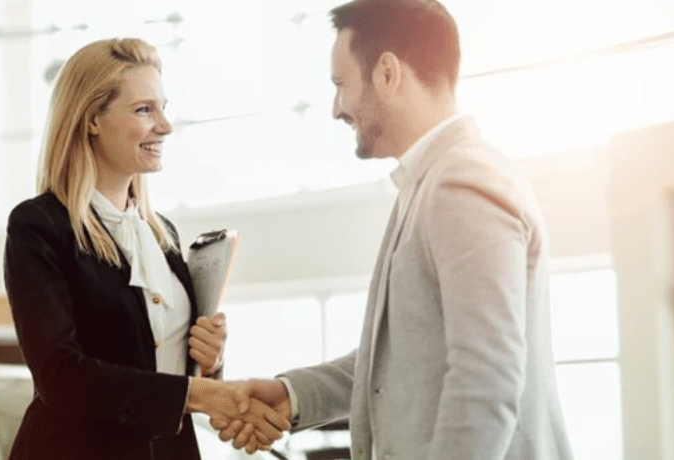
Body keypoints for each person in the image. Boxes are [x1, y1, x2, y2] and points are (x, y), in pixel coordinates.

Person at [212, 1, 574, 459]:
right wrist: (293, 395)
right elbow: (402, 362)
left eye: (341, 85)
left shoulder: (462, 183)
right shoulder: (429, 184)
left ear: (386, 73)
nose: (337, 109)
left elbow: (486, 380)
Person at [2, 37, 287, 460]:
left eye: (163, 107)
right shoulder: (40, 226)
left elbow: (164, 368)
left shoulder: (162, 235)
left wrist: (209, 361)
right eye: (143, 110)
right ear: (92, 120)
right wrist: (199, 393)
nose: (166, 126)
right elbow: (60, 376)